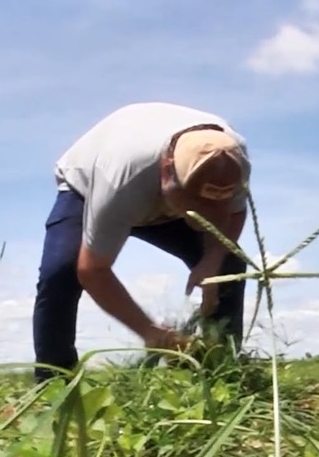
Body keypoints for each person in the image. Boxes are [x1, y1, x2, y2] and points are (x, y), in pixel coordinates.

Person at [31, 102, 251, 383]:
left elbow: (235, 213)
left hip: (155, 188)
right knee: (61, 269)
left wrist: (211, 264)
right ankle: (53, 382)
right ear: (167, 173)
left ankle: (218, 368)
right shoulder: (120, 180)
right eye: (193, 208)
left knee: (230, 264)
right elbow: (93, 270)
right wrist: (149, 331)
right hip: (88, 188)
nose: (199, 220)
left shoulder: (234, 159)